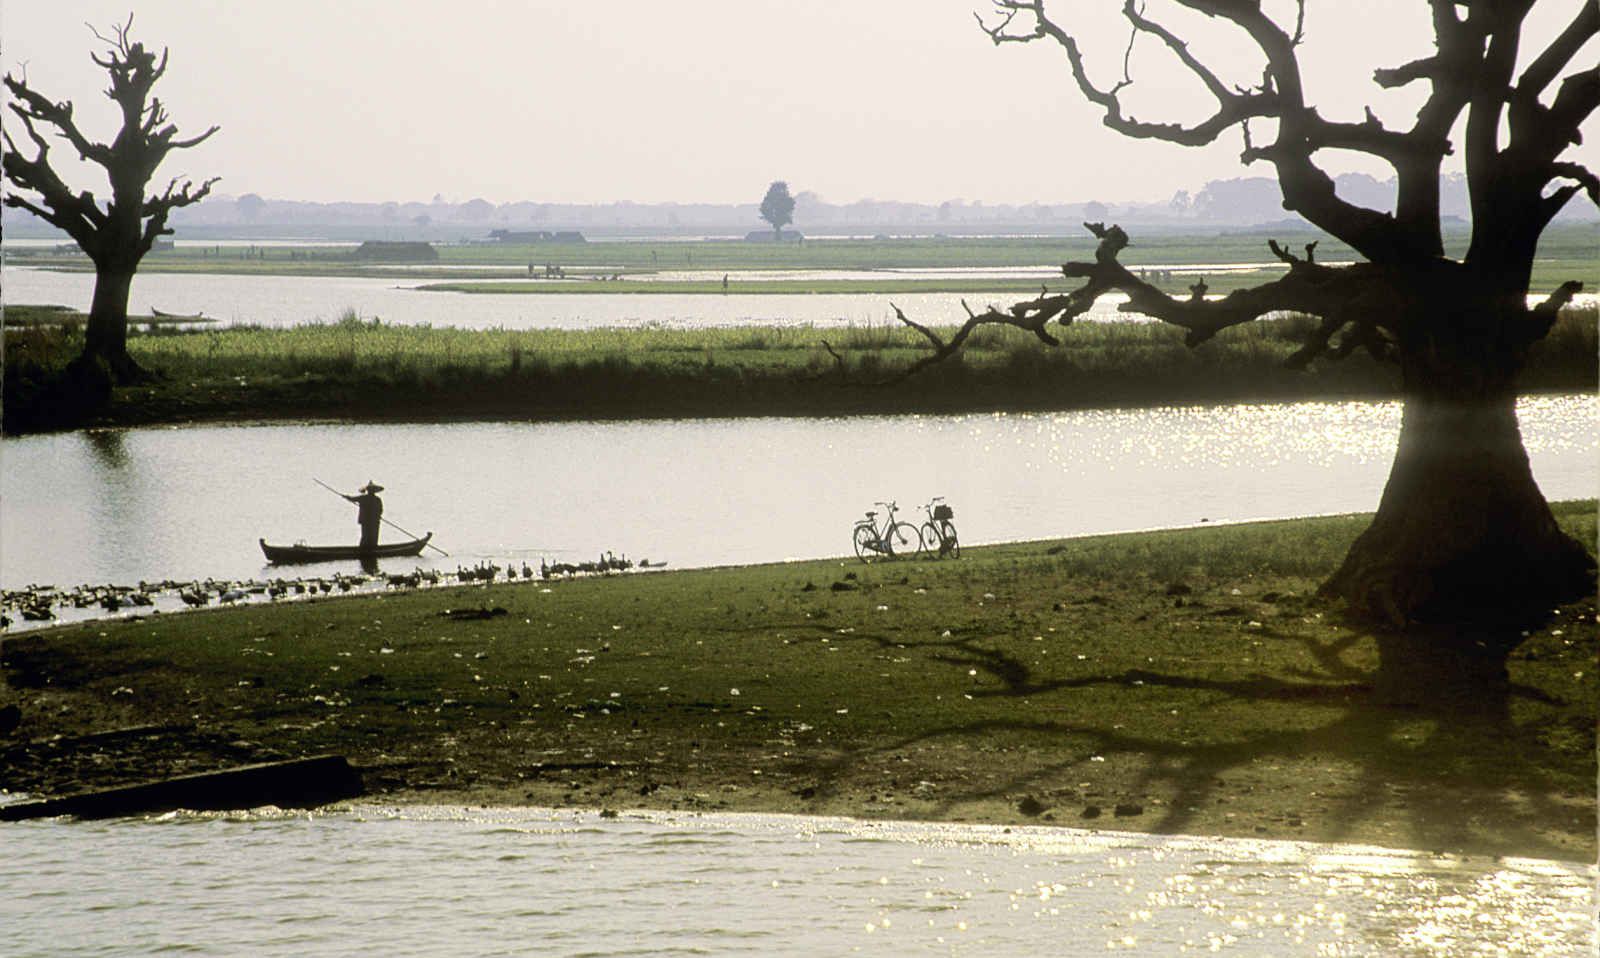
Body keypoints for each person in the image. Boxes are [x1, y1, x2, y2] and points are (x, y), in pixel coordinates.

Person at [344, 481, 384, 552]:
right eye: (370, 490)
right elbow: (380, 510)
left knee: (368, 537)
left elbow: (380, 510)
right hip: (370, 521)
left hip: (370, 521)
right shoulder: (375, 499)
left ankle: (368, 550)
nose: (371, 491)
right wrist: (347, 497)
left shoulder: (366, 498)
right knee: (369, 537)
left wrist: (347, 497)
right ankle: (368, 550)